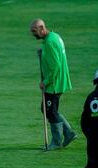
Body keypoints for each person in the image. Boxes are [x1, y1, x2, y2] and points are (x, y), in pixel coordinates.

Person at [30, 19, 77, 151]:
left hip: (54, 83)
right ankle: (69, 133)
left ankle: (57, 141)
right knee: (49, 109)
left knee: (50, 111)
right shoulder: (53, 37)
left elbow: (55, 67)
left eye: (34, 31)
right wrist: (42, 52)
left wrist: (45, 82)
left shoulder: (50, 42)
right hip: (58, 81)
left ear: (41, 28)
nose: (33, 34)